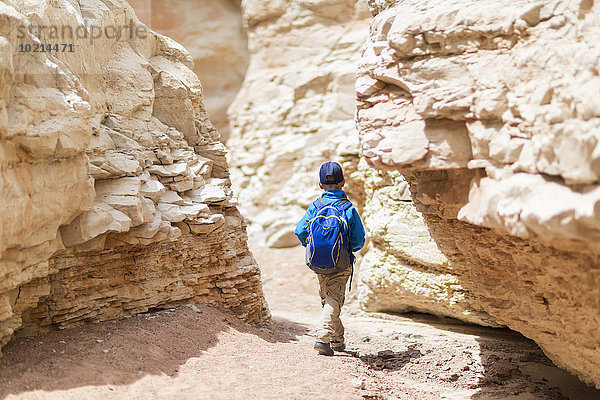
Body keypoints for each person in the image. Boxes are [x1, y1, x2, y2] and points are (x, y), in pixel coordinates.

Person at [294, 161, 366, 356]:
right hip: (341, 263)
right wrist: (348, 249)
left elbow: (299, 230)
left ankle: (337, 339)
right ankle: (323, 338)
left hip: (318, 262)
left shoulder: (315, 206)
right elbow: (359, 240)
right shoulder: (348, 208)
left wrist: (312, 245)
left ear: (320, 185)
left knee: (328, 299)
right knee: (334, 299)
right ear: (343, 182)